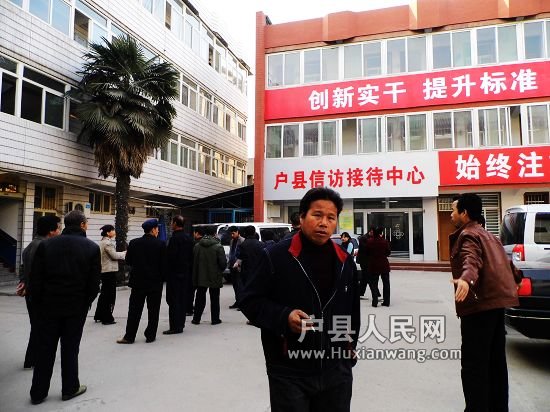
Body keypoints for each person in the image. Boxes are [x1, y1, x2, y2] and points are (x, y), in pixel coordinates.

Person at [240, 187, 360, 412]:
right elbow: (249, 301)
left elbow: (353, 310)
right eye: (317, 215)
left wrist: (350, 348)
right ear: (302, 217)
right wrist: (284, 316)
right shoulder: (275, 256)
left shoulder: (345, 261)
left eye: (331, 217)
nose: (324, 223)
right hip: (289, 372)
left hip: (336, 371)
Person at [449, 193, 521, 412]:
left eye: (453, 210)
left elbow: (471, 259)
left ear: (464, 213)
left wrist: (466, 279)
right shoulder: (490, 235)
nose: (451, 214)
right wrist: (517, 279)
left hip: (478, 308)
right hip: (496, 307)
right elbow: (508, 265)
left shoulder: (468, 235)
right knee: (496, 363)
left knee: (474, 366)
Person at [28, 210, 100, 405]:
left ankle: (38, 392)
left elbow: (36, 279)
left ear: (65, 225)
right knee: (70, 348)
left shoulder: (46, 245)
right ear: (83, 225)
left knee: (45, 348)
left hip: (48, 306)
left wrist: (39, 303)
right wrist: (85, 303)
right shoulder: (92, 248)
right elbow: (94, 284)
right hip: (76, 308)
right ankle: (69, 388)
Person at [17, 215, 61, 370]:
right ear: (51, 231)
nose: (60, 231)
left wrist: (23, 281)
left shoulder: (31, 245)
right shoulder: (45, 246)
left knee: (36, 326)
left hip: (32, 293)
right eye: (58, 228)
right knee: (42, 328)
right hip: (41, 294)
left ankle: (31, 359)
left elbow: (24, 268)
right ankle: (36, 359)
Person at [117, 219, 165, 344]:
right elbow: (164, 264)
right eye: (157, 229)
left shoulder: (134, 243)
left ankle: (129, 336)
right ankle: (150, 336)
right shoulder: (160, 244)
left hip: (138, 282)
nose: (158, 231)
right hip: (155, 283)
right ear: (153, 230)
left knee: (134, 310)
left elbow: (128, 261)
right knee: (153, 310)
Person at [164, 215, 194, 335]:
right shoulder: (189, 239)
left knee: (173, 301)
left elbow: (170, 258)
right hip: (186, 274)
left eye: (172, 222)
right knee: (182, 299)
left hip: (174, 275)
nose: (171, 224)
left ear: (176, 223)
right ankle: (181, 324)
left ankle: (175, 326)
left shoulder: (174, 239)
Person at [192, 226, 227, 325]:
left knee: (200, 297)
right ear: (215, 233)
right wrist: (219, 271)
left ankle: (196, 319)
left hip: (200, 276)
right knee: (215, 298)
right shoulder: (218, 246)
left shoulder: (197, 246)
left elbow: (194, 261)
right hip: (215, 276)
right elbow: (223, 263)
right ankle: (215, 319)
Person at [94, 225, 126, 325]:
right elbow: (114, 256)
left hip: (104, 271)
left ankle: (99, 315)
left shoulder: (102, 242)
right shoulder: (108, 243)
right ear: (108, 233)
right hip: (109, 271)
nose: (114, 232)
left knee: (104, 294)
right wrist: (125, 253)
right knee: (109, 295)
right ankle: (107, 318)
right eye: (113, 230)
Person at [365, 227, 391, 308]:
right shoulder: (384, 241)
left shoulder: (369, 241)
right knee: (386, 283)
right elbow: (388, 252)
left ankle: (375, 301)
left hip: (373, 265)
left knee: (374, 284)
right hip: (384, 264)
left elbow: (367, 252)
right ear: (380, 233)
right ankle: (386, 302)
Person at [227, 226, 244, 309]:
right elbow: (231, 252)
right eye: (231, 234)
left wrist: (238, 263)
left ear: (237, 232)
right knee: (235, 285)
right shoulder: (232, 241)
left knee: (240, 285)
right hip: (232, 265)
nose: (232, 235)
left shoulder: (242, 241)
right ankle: (237, 301)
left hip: (239, 266)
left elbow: (242, 255)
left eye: (233, 233)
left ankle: (241, 303)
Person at [356, 227, 374, 299]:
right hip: (364, 261)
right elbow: (365, 248)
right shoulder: (363, 238)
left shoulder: (371, 238)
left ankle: (360, 293)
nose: (373, 233)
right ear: (370, 231)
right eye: (372, 232)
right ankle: (376, 294)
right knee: (369, 277)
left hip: (369, 261)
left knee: (364, 278)